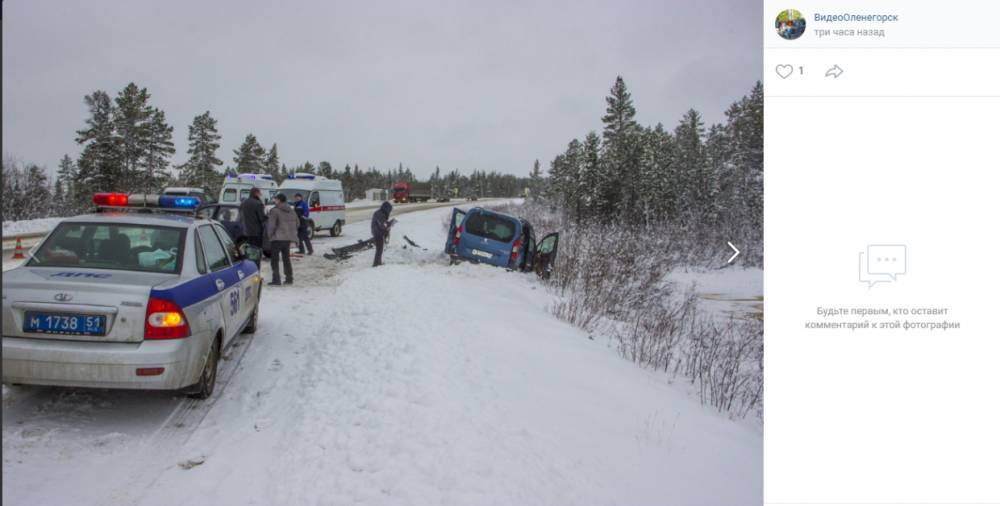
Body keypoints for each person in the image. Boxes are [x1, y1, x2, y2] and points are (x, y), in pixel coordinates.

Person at [266, 193, 299, 285]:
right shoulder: (292, 211)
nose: (274, 201)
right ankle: (289, 278)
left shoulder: (275, 211)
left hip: (277, 239)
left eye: (275, 199)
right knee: (286, 259)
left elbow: (271, 226)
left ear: (279, 200)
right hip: (287, 239)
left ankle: (276, 280)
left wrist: (270, 236)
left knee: (274, 260)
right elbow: (297, 223)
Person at [240, 188, 267, 266]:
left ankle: (250, 267)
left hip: (246, 231)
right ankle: (256, 270)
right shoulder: (258, 203)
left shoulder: (244, 202)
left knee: (249, 251)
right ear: (256, 193)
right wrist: (267, 216)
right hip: (256, 232)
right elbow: (261, 218)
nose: (260, 195)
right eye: (259, 193)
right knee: (256, 253)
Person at [370, 201, 393, 267]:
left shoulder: (381, 213)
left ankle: (378, 262)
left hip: (378, 231)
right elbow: (383, 225)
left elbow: (384, 223)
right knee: (379, 248)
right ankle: (376, 263)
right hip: (377, 232)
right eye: (389, 210)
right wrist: (390, 223)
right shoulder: (380, 214)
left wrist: (389, 223)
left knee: (380, 248)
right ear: (386, 208)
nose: (389, 212)